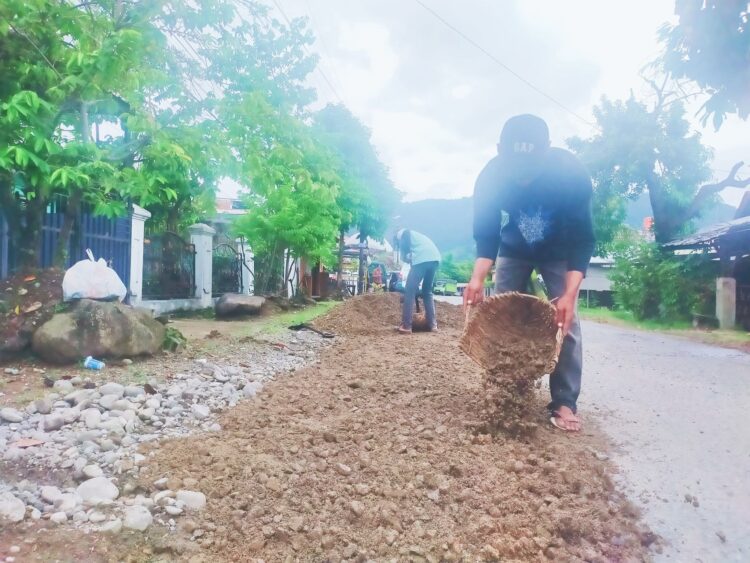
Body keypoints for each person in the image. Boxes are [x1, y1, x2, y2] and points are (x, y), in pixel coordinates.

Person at [463, 114, 595, 432]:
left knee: (566, 322)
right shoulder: (491, 176)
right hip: (514, 249)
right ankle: (502, 390)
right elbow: (487, 234)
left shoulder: (570, 173)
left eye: (530, 170)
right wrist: (477, 278)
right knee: (500, 317)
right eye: (516, 169)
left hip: (561, 251)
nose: (522, 179)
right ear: (499, 150)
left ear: (547, 150)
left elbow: (583, 240)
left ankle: (564, 400)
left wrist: (569, 295)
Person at [396, 229, 441, 334]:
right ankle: (433, 325)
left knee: (409, 291)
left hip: (422, 259)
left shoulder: (404, 235)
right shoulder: (417, 238)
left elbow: (405, 257)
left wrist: (406, 259)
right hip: (435, 258)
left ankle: (406, 326)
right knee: (427, 291)